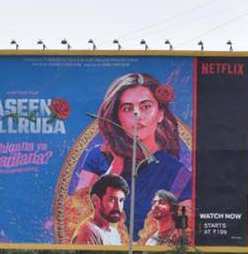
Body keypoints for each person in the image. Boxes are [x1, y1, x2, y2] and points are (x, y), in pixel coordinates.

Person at [73, 72, 193, 241]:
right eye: (128, 109)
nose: (137, 114)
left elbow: (185, 233)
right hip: (100, 249)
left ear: (160, 113)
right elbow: (76, 216)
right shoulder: (98, 157)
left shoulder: (179, 174)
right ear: (117, 117)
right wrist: (115, 170)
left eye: (145, 106)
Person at [72, 174, 128, 245]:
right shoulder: (87, 234)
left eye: (121, 200)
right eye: (112, 200)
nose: (118, 207)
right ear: (95, 199)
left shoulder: (113, 232)